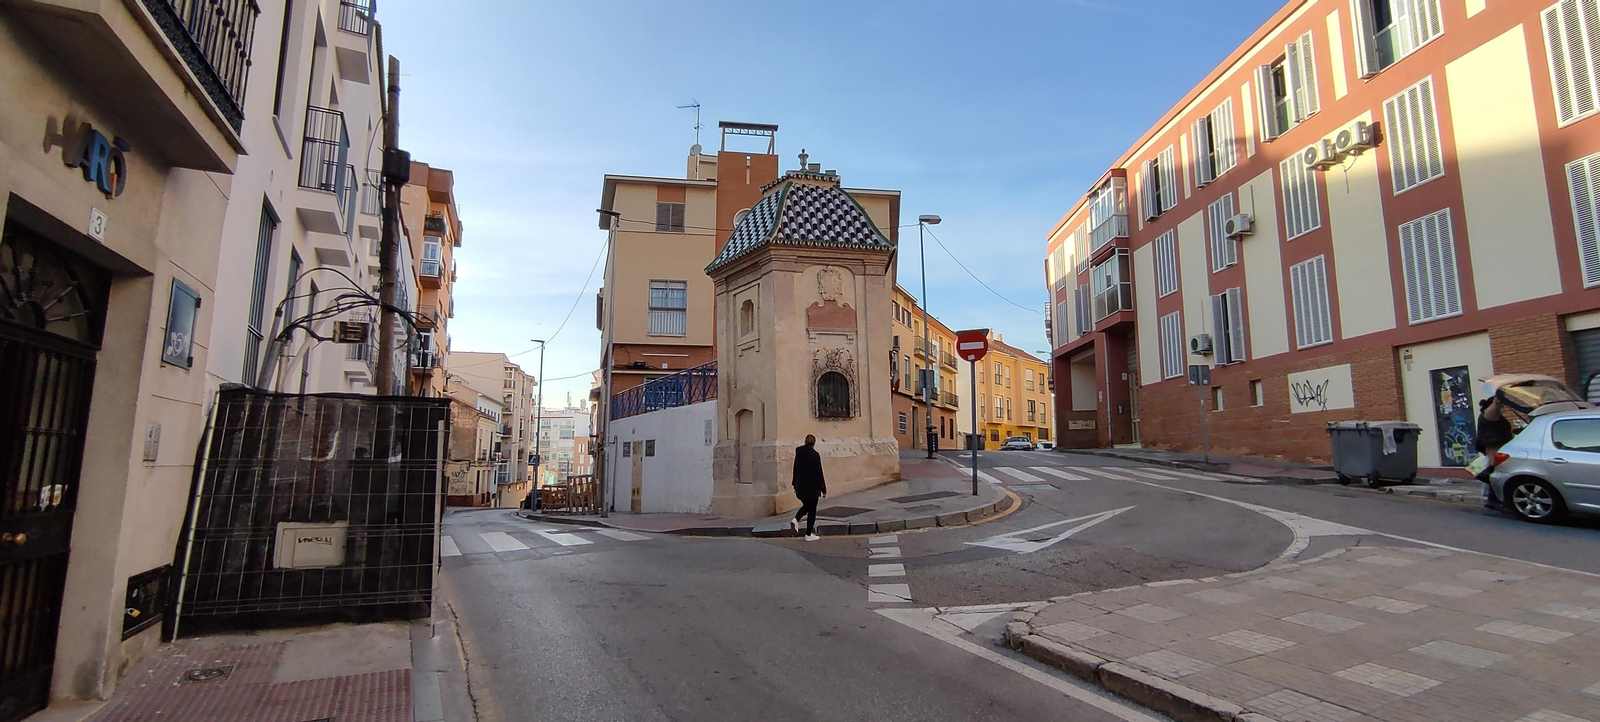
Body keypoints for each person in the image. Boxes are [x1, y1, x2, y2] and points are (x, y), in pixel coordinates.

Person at [1475, 397, 1514, 509]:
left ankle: (1492, 498)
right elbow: (1496, 404)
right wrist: (1500, 396)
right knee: (1495, 472)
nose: (1503, 408)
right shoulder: (1489, 414)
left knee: (1495, 472)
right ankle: (1492, 499)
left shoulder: (1494, 416)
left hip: (1499, 445)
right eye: (1502, 406)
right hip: (1494, 446)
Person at [789, 434, 827, 541]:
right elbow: (818, 473)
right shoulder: (815, 455)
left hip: (800, 487)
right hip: (812, 489)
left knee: (807, 506)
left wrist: (794, 484)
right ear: (814, 443)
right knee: (812, 510)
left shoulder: (799, 453)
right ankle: (808, 534)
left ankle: (796, 520)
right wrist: (823, 489)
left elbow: (795, 469)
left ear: (805, 442)